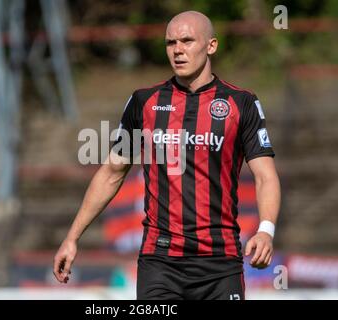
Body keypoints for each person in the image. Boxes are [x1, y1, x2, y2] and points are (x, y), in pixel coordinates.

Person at [53, 11, 281, 300]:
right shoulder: (144, 102)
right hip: (160, 262)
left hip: (220, 261)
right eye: (170, 43)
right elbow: (112, 172)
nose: (178, 50)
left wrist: (266, 230)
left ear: (211, 46)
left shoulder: (241, 103)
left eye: (187, 40)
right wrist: (72, 238)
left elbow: (265, 176)